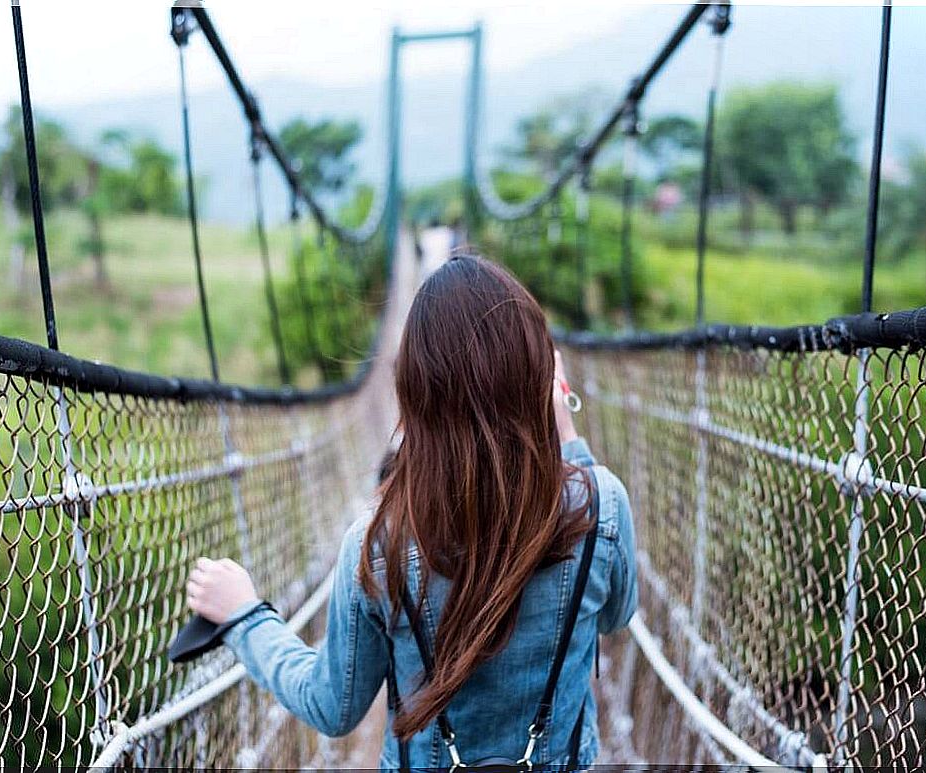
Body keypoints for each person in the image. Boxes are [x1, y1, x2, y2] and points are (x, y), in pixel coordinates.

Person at [186, 254, 637, 770]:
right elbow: (615, 615)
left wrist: (245, 615)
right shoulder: (603, 506)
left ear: (415, 393)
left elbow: (332, 708)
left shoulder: (378, 543)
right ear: (541, 376)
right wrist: (567, 438)